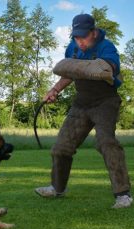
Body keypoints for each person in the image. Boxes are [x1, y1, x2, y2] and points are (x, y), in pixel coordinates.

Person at [35, 13, 132, 208]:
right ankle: (57, 188)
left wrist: (86, 66)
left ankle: (123, 195)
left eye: (83, 37)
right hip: (81, 103)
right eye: (76, 37)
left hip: (105, 102)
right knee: (61, 147)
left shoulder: (107, 47)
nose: (79, 42)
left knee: (106, 143)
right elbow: (69, 74)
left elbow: (109, 69)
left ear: (94, 32)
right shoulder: (73, 47)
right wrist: (54, 90)